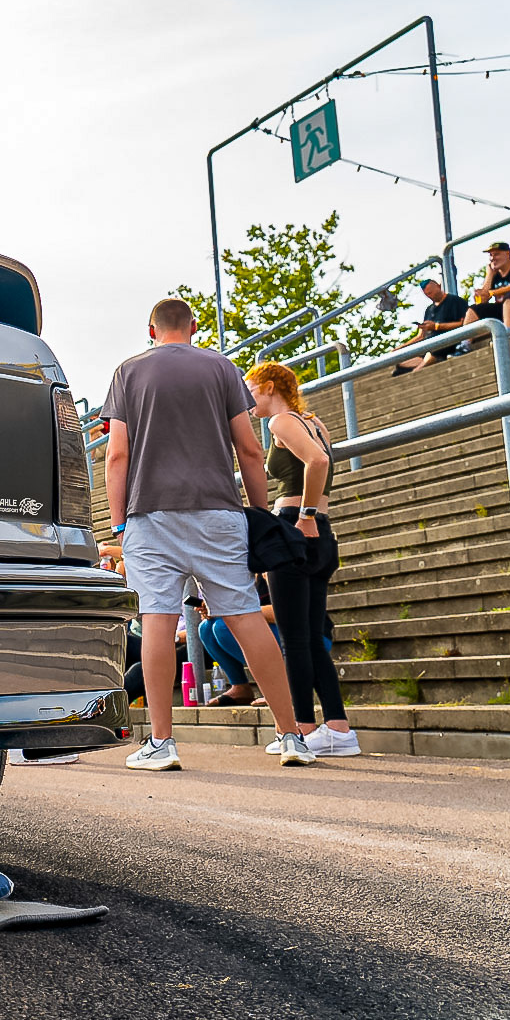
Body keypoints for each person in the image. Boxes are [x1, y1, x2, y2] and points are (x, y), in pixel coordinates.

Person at [102, 298, 314, 770]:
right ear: (194, 327)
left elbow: (117, 455)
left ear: (151, 330)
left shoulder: (127, 372)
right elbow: (250, 450)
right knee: (245, 616)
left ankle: (162, 743)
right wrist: (258, 514)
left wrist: (119, 523)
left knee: (157, 621)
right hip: (219, 512)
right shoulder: (222, 368)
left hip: (150, 516)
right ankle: (292, 735)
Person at [246, 362, 359, 757]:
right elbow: (321, 461)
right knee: (310, 638)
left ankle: (303, 729)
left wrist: (305, 515)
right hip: (320, 532)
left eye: (250, 390)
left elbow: (319, 462)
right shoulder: (314, 422)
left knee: (293, 639)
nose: (247, 400)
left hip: (297, 526)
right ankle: (338, 729)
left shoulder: (281, 422)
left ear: (269, 387)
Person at [392, 277, 469, 374]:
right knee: (400, 365)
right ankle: (424, 363)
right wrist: (401, 347)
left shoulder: (455, 301)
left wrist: (436, 326)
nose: (430, 296)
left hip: (448, 341)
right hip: (428, 345)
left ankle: (419, 369)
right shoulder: (429, 310)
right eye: (427, 294)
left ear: (438, 286)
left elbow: (464, 323)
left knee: (434, 351)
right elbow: (420, 336)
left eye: (431, 292)